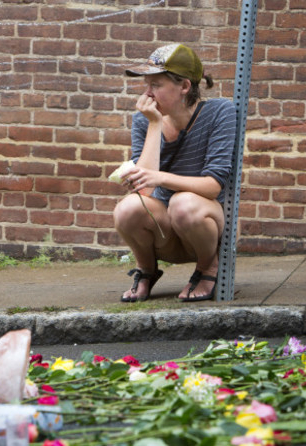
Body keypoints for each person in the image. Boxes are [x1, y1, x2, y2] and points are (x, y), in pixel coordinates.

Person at [114, 43, 236, 303]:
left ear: (184, 87)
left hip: (205, 226)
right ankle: (146, 271)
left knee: (183, 202)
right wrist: (155, 124)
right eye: (146, 85)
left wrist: (162, 179)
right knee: (127, 208)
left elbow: (213, 186)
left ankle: (208, 268)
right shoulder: (144, 120)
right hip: (166, 232)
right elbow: (144, 189)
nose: (148, 93)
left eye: (156, 85)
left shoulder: (220, 112)